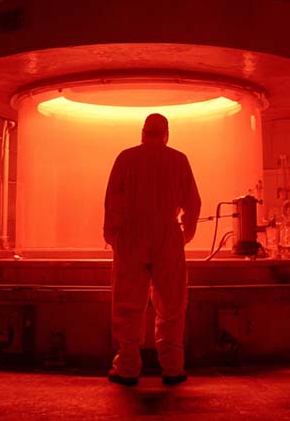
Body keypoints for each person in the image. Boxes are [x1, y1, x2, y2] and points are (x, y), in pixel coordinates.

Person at [103, 113, 201, 386]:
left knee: (128, 302)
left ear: (142, 132)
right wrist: (185, 235)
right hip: (167, 234)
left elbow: (112, 200)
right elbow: (193, 202)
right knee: (171, 303)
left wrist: (112, 235)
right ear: (166, 133)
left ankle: (127, 367)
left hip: (131, 234)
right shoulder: (178, 159)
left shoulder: (126, 158)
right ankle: (172, 368)